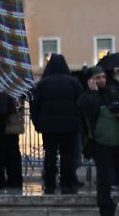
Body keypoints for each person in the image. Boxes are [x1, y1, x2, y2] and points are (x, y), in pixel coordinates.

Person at [79, 67, 119, 216]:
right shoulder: (86, 97)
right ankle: (106, 211)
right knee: (104, 182)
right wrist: (93, 92)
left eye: (104, 77)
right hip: (101, 145)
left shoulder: (114, 91)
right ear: (90, 80)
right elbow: (89, 110)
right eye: (98, 77)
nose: (102, 80)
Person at [30, 53, 83, 194]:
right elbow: (81, 104)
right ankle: (66, 184)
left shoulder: (42, 83)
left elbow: (34, 105)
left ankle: (50, 184)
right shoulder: (74, 82)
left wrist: (37, 123)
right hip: (70, 127)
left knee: (50, 155)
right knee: (67, 155)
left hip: (49, 127)